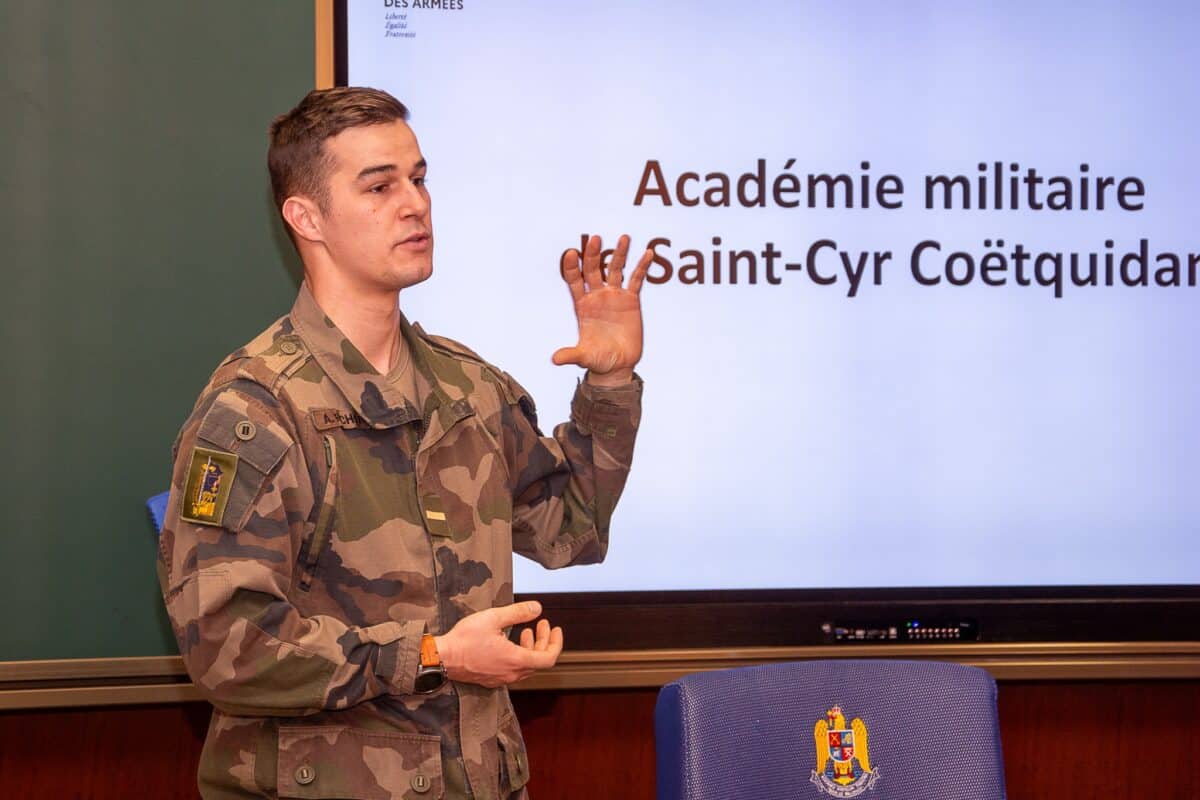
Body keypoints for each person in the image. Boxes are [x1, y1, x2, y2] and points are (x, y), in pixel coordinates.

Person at [156, 86, 649, 799]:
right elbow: (228, 648)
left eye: (418, 179)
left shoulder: (469, 387)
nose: (414, 204)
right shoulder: (255, 411)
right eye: (379, 186)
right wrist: (434, 656)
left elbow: (568, 531)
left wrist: (610, 382)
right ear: (306, 216)